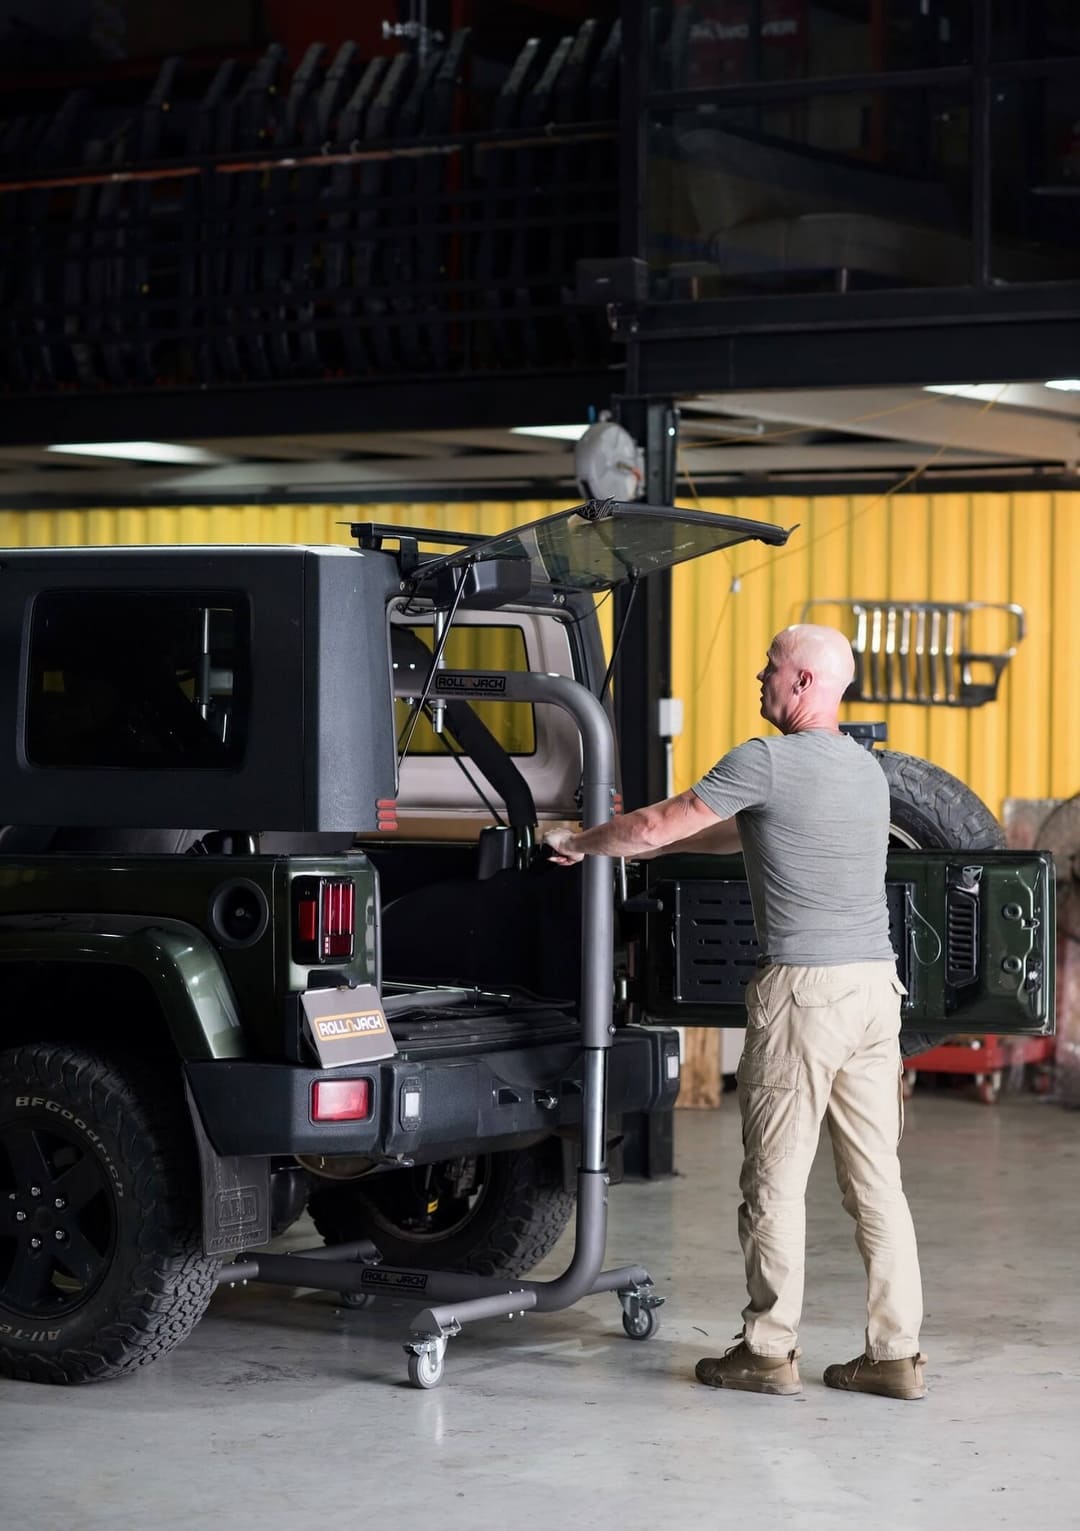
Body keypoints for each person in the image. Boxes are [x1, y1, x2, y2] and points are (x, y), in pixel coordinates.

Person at [543, 623, 926, 1402]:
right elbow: (734, 829)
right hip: (874, 991)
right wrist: (637, 842)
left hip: (806, 993)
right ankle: (895, 1354)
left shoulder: (766, 758)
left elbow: (661, 822)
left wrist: (583, 839)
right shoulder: (864, 770)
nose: (761, 676)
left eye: (773, 666)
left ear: (807, 683)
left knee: (773, 1183)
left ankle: (768, 1347)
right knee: (876, 1180)